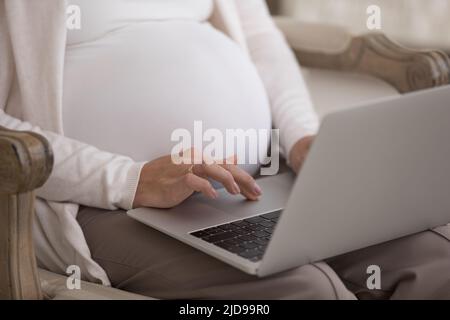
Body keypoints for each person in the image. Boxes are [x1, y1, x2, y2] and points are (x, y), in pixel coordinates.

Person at [0, 0, 448, 299]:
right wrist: (129, 180)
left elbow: (259, 39)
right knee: (305, 291)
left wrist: (302, 138)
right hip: (102, 206)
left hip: (256, 181)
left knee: (432, 262)